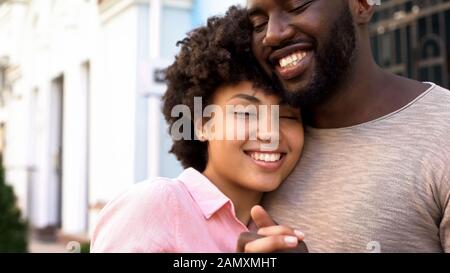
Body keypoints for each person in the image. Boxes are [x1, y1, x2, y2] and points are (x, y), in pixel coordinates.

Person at [90, 6, 304, 253]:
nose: (271, 134)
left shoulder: (278, 228)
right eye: (246, 112)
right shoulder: (157, 205)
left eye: (288, 115)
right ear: (202, 124)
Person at [241, 0, 450, 252]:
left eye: (297, 6)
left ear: (361, 5)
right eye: (259, 23)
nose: (273, 33)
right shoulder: (264, 148)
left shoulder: (442, 131)